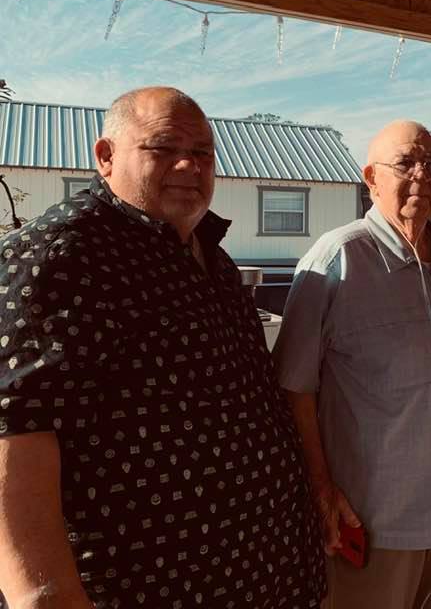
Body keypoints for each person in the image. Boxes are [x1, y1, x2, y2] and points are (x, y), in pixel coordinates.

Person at [0, 87, 324, 609]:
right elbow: (13, 440)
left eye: (202, 153)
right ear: (105, 156)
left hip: (267, 576)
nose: (188, 165)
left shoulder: (212, 261)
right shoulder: (58, 257)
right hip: (154, 588)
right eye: (163, 147)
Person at [274, 120, 431, 609]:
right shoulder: (339, 258)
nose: (422, 175)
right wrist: (321, 490)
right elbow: (292, 388)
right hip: (375, 522)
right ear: (371, 179)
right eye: (405, 163)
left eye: (430, 164)